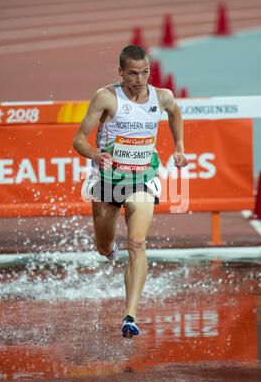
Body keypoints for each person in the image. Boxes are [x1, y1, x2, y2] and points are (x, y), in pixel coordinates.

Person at [73, 45, 188, 338]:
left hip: (142, 178)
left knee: (137, 243)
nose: (140, 78)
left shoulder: (162, 96)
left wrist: (178, 148)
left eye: (145, 72)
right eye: (133, 73)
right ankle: (108, 249)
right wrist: (95, 155)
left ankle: (130, 316)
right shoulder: (106, 98)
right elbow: (78, 140)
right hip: (107, 179)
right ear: (121, 72)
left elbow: (175, 113)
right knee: (103, 246)